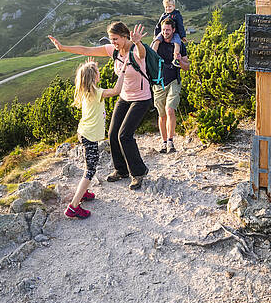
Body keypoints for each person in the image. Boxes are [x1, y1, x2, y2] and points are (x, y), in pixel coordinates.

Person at [48, 22, 152, 190]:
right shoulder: (113, 50)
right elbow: (86, 50)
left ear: (125, 36)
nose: (113, 42)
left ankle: (139, 172)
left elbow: (142, 54)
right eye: (111, 39)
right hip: (125, 97)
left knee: (124, 135)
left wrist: (138, 42)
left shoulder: (135, 49)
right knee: (112, 134)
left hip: (141, 98)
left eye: (115, 39)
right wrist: (63, 48)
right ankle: (121, 170)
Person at [65, 59, 122, 219]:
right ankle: (73, 207)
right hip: (89, 136)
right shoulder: (97, 93)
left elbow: (91, 76)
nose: (99, 73)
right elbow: (116, 90)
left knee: (89, 166)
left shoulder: (87, 91)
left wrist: (91, 67)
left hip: (85, 133)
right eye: (97, 72)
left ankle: (83, 192)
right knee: (90, 170)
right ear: (93, 77)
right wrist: (123, 71)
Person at [150, 20, 184, 154]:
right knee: (162, 114)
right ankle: (164, 143)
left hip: (174, 80)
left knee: (170, 110)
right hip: (158, 83)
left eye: (168, 30)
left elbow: (187, 66)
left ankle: (170, 141)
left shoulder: (179, 44)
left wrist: (180, 61)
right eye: (163, 30)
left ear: (173, 30)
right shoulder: (157, 43)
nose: (165, 32)